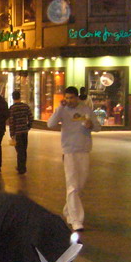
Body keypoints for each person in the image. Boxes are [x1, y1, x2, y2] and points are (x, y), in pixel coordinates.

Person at [48, 86, 99, 232]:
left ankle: (68, 210)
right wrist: (59, 109)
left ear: (77, 97)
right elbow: (50, 124)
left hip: (84, 150)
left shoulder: (86, 110)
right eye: (67, 98)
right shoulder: (62, 110)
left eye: (71, 98)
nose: (69, 101)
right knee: (72, 185)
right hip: (69, 151)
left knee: (80, 185)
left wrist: (91, 125)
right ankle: (76, 220)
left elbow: (98, 127)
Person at [6, 91, 32, 175]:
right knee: (24, 150)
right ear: (19, 97)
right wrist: (28, 126)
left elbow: (11, 121)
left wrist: (12, 133)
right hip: (24, 131)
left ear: (13, 98)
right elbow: (31, 117)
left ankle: (21, 168)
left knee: (19, 150)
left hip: (17, 132)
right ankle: (23, 166)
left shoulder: (12, 108)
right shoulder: (25, 106)